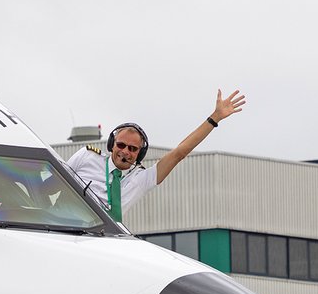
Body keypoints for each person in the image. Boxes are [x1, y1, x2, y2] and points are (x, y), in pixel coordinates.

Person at [66, 89, 247, 223]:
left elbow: (179, 153)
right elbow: (54, 183)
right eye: (121, 145)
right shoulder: (87, 156)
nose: (125, 152)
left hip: (106, 241)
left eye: (132, 149)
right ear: (112, 144)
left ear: (140, 154)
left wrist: (214, 118)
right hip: (68, 227)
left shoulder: (141, 179)